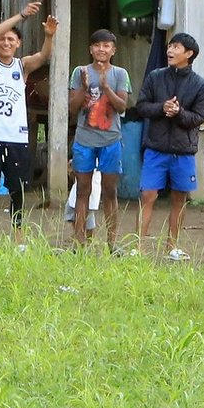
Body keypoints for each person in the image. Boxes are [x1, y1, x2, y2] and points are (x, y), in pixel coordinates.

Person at [0, 0, 54, 248]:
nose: (6, 42)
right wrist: (21, 15)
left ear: (18, 44)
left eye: (12, 40)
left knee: (18, 191)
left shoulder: (22, 66)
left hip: (16, 138)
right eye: (3, 39)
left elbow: (44, 56)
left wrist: (48, 36)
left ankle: (19, 240)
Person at [134, 31, 204, 260]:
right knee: (147, 195)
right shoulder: (155, 77)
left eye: (176, 47)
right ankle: (138, 246)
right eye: (170, 46)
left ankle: (172, 246)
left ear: (189, 54)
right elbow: (141, 106)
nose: (170, 51)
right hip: (155, 147)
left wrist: (178, 113)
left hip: (183, 151)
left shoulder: (200, 85)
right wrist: (161, 108)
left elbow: (197, 118)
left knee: (179, 198)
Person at [69, 29, 131, 251]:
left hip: (111, 140)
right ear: (90, 49)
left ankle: (112, 242)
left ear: (113, 50)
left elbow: (122, 106)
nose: (101, 50)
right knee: (82, 189)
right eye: (97, 46)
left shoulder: (120, 74)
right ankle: (79, 242)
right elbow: (73, 108)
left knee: (110, 191)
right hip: (84, 140)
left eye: (106, 46)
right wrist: (84, 88)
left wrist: (105, 88)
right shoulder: (80, 72)